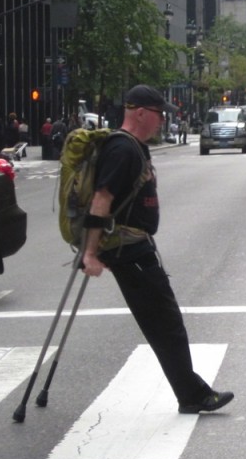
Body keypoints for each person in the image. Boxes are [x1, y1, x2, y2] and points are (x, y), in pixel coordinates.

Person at [80, 84, 234, 414]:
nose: (162, 121)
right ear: (140, 113)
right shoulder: (123, 149)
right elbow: (101, 199)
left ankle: (191, 392)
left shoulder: (133, 147)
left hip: (133, 247)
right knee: (166, 324)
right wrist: (90, 253)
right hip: (129, 250)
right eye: (158, 114)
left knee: (163, 324)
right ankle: (192, 395)